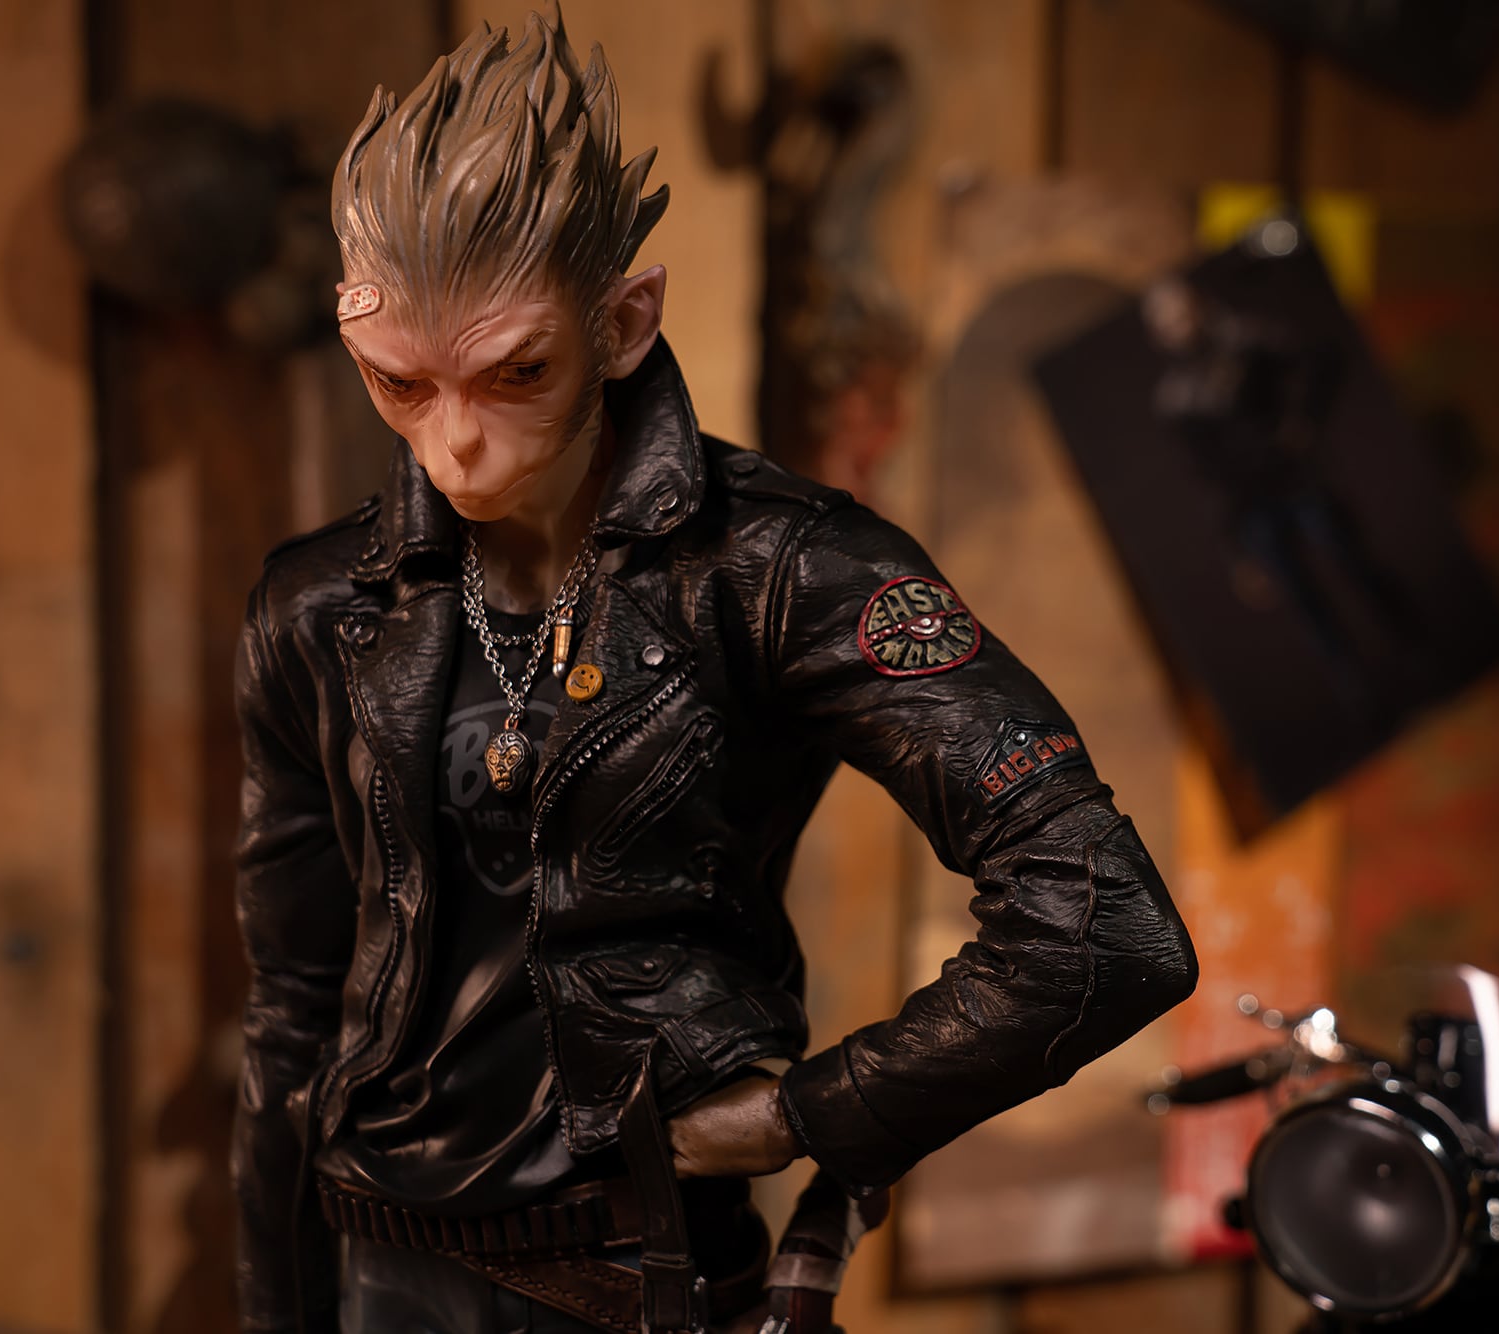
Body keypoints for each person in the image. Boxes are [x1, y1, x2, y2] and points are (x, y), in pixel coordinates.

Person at [230, 7, 1198, 1333]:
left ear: (625, 321)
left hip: (640, 1270)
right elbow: (290, 1011)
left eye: (517, 371)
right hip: (374, 1267)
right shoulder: (316, 605)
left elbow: (1104, 918)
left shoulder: (785, 567)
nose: (455, 444)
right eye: (399, 383)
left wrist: (815, 1111)